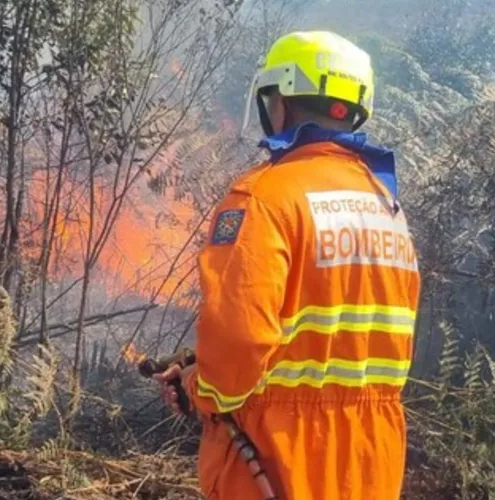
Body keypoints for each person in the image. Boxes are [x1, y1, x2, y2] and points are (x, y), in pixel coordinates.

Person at [153, 31, 422, 500]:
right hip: (370, 462)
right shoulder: (385, 207)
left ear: (280, 101)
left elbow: (237, 343)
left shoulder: (264, 197)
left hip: (280, 455)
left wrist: (197, 387)